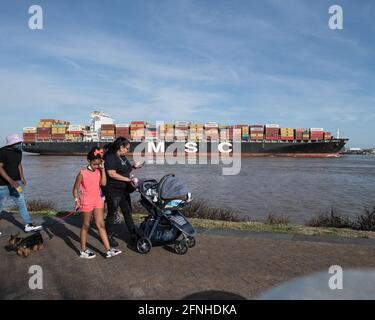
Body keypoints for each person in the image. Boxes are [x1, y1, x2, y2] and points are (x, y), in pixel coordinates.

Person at [72, 147, 121, 259]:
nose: (96, 166)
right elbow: (75, 189)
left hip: (98, 201)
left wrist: (103, 169)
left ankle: (108, 250)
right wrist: (76, 201)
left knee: (101, 225)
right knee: (86, 225)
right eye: (94, 164)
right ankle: (83, 250)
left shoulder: (99, 171)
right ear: (88, 161)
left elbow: (103, 184)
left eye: (98, 164)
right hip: (86, 202)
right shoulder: (82, 173)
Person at [103, 137, 143, 247]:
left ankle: (133, 234)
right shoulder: (110, 156)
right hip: (113, 190)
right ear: (121, 147)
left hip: (124, 189)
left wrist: (134, 167)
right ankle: (109, 236)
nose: (128, 150)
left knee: (127, 212)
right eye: (127, 148)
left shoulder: (122, 156)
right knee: (112, 213)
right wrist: (128, 180)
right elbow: (111, 174)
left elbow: (126, 169)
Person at [0, 134, 42, 233]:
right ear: (12, 143)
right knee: (1, 205)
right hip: (3, 184)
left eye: (20, 142)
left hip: (16, 183)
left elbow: (19, 164)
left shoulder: (19, 151)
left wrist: (22, 177)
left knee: (21, 203)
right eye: (18, 143)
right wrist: (10, 181)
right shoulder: (2, 151)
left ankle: (28, 225)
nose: (20, 144)